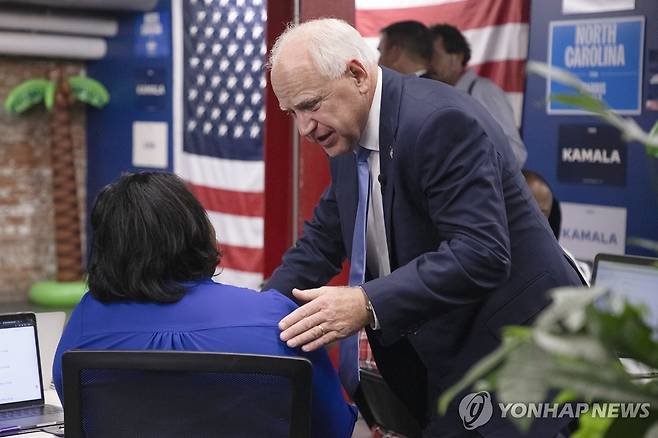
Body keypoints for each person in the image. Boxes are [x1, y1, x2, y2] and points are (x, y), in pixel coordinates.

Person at [264, 18, 582, 436]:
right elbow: (322, 242)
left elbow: (481, 253)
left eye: (310, 105)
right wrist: (255, 313)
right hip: (444, 367)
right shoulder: (347, 133)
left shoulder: (438, 122)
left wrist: (364, 302)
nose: (304, 127)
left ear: (357, 75)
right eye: (292, 113)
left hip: (517, 364)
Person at [52, 172, 356, 438]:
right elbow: (333, 428)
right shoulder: (278, 320)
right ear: (196, 233)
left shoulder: (83, 326)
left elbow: (86, 418)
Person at [428, 23, 528, 167]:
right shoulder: (437, 94)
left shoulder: (484, 91)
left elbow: (516, 153)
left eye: (434, 56)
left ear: (456, 58)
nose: (429, 63)